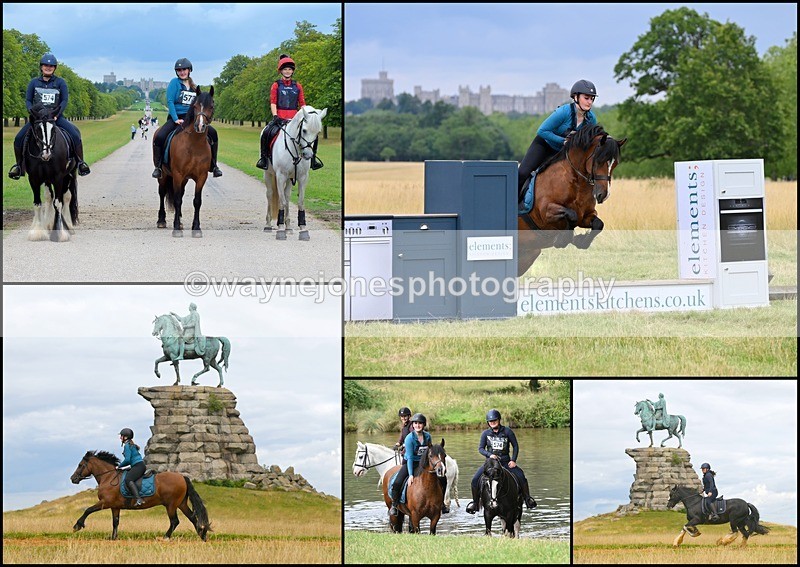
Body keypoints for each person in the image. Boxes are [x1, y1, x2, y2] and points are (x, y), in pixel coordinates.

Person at [8, 53, 91, 179]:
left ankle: (80, 163)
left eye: (51, 66)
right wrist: (32, 113)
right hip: (38, 120)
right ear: (41, 67)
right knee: (19, 138)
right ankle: (19, 167)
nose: (48, 67)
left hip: (56, 117)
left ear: (55, 68)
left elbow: (64, 100)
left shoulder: (60, 83)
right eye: (46, 65)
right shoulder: (33, 83)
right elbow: (28, 100)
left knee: (75, 135)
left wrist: (57, 114)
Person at [517, 79, 598, 198]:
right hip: (544, 145)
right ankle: (512, 205)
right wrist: (563, 141)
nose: (590, 102)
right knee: (522, 173)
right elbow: (542, 131)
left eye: (592, 99)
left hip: (562, 152)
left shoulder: (591, 119)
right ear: (576, 97)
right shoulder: (563, 112)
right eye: (586, 98)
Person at [151, 58, 222, 179]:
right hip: (177, 118)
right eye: (179, 70)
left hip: (192, 119)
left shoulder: (194, 87)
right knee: (160, 136)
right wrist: (175, 119)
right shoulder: (174, 83)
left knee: (213, 134)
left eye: (184, 69)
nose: (182, 72)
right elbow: (170, 101)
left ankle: (214, 165)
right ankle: (158, 167)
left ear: (189, 70)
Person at [255, 54, 323, 171]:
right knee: (266, 132)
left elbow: (302, 103)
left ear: (292, 71)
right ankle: (264, 159)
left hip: (295, 119)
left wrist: (305, 116)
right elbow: (273, 102)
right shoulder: (276, 85)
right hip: (280, 117)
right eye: (285, 69)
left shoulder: (298, 86)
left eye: (290, 69)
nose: (287, 71)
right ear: (281, 71)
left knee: (313, 136)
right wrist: (275, 116)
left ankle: (313, 159)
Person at [466, 409, 537, 514]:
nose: (493, 422)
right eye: (490, 421)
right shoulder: (485, 434)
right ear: (488, 423)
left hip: (505, 462)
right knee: (475, 480)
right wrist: (490, 455)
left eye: (494, 420)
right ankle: (475, 503)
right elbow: (481, 448)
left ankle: (527, 499)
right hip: (490, 464)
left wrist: (513, 460)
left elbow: (515, 446)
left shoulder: (507, 431)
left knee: (521, 475)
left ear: (499, 420)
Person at [117, 428, 145, 506]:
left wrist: (118, 466)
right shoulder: (131, 444)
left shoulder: (127, 446)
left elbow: (127, 460)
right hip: (138, 465)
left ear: (125, 437)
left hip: (138, 466)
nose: (120, 438)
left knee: (128, 479)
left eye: (121, 436)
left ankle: (138, 499)